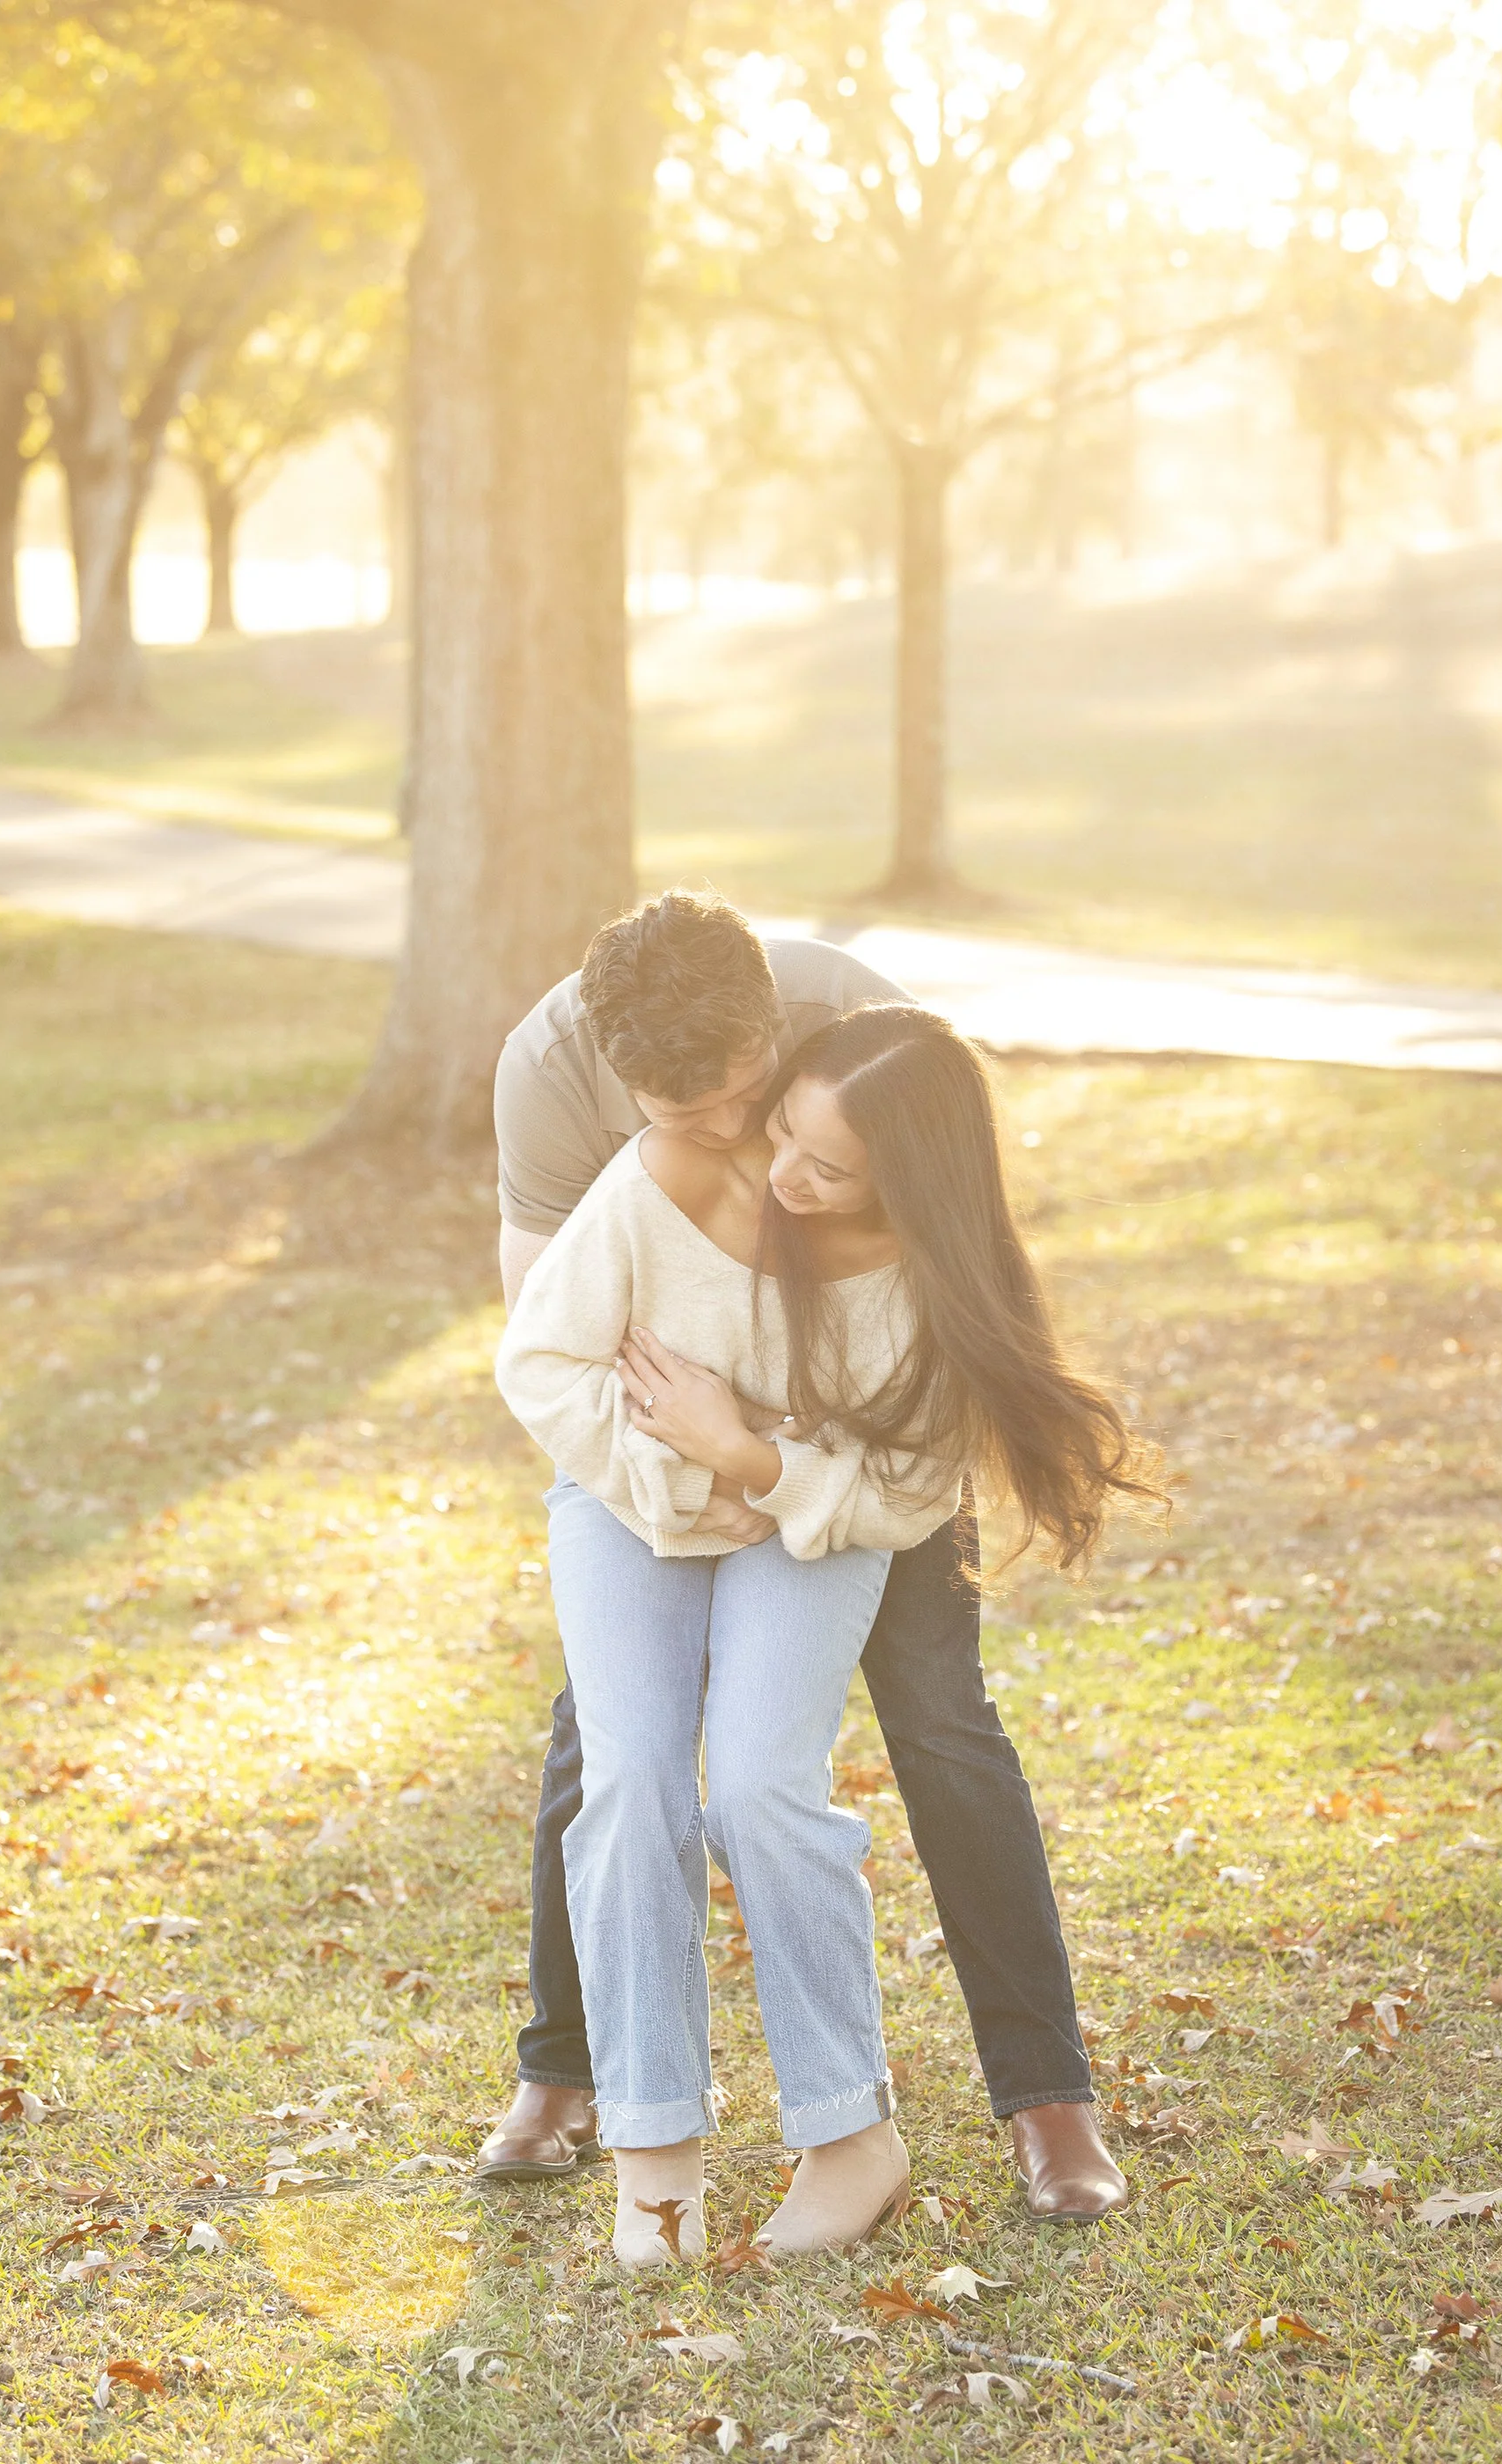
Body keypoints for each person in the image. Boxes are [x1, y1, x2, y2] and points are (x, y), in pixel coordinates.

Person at [478, 891, 1132, 2222]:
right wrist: (688, 1477)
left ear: (774, 1030)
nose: (739, 1139)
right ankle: (568, 2072)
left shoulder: (857, 1034)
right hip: (657, 1445)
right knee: (611, 1741)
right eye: (692, 1115)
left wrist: (772, 1468)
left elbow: (934, 1314)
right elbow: (551, 1340)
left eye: (749, 1096)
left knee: (938, 1720)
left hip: (854, 1445)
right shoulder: (553, 1081)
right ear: (622, 1080)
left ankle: (1045, 2094)